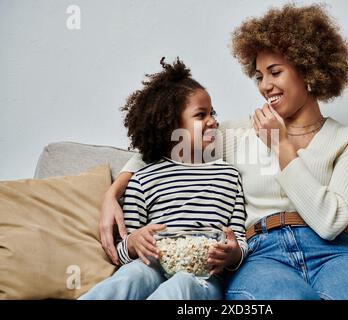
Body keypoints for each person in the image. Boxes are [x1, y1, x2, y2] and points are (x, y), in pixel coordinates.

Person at [100, 4, 348, 299]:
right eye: (259, 76)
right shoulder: (240, 133)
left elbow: (330, 223)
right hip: (262, 254)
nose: (265, 86)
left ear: (309, 68)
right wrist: (114, 191)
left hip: (333, 253)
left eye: (275, 72)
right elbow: (167, 140)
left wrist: (280, 145)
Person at [80, 58, 247, 300]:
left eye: (213, 113)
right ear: (171, 125)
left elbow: (239, 240)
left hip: (203, 278)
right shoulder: (143, 180)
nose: (213, 121)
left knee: (181, 284)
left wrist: (232, 255)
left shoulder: (228, 176)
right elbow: (124, 249)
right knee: (131, 277)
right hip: (153, 265)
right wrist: (134, 242)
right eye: (201, 115)